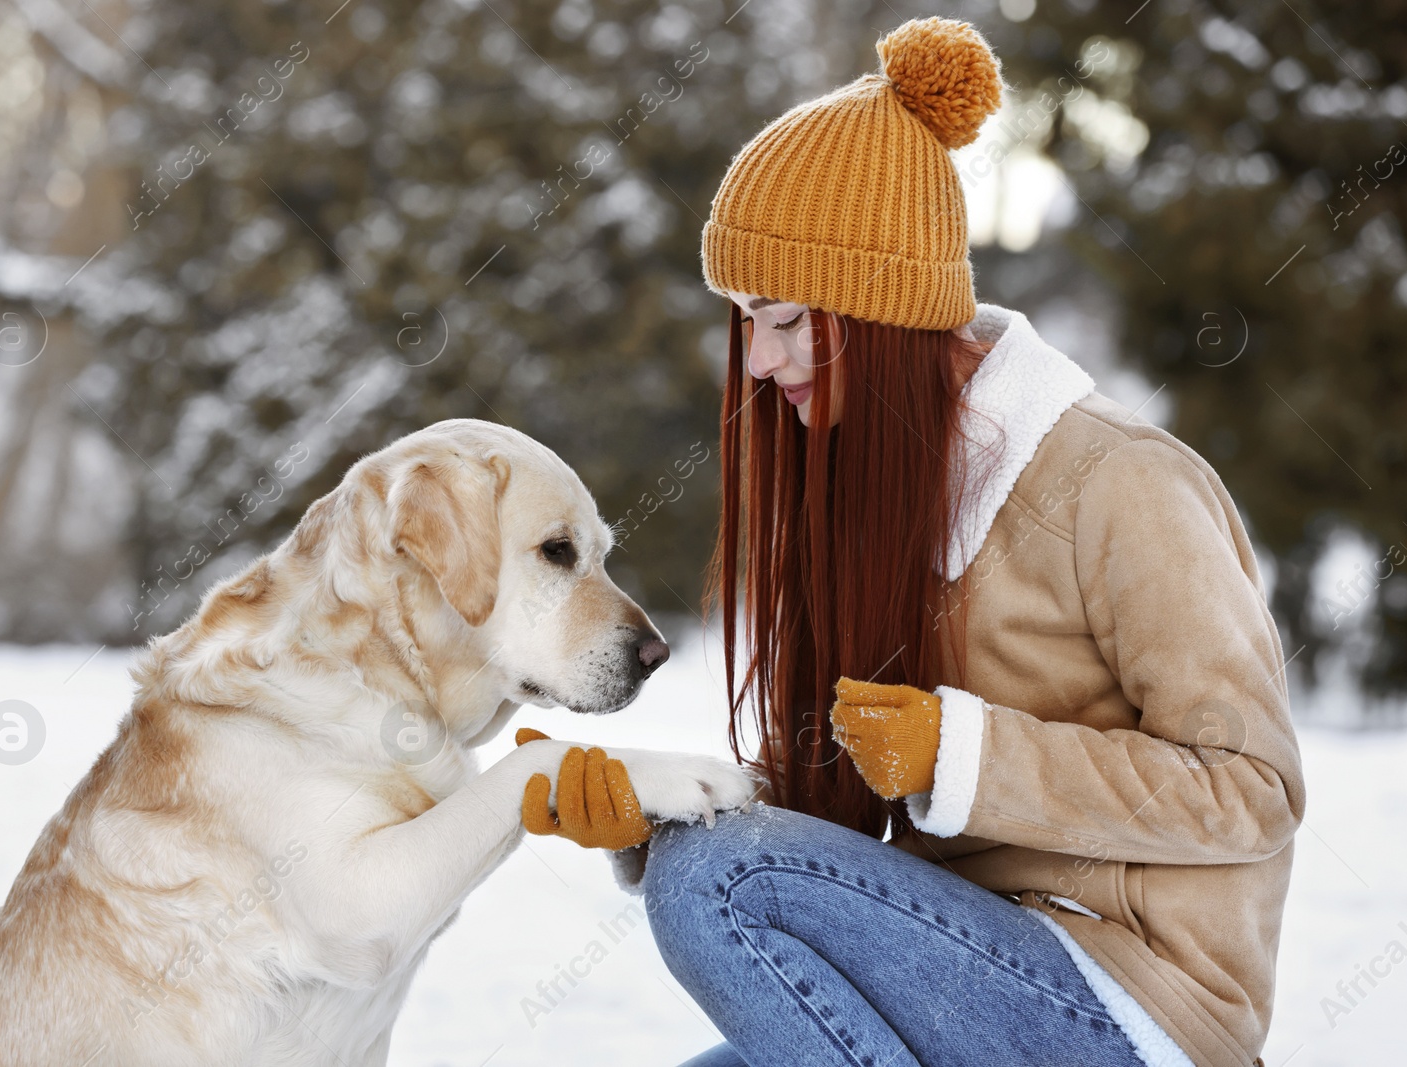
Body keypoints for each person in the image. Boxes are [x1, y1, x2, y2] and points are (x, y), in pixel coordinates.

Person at [520, 16, 1303, 1067]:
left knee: (721, 878)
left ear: (881, 311)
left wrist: (965, 753)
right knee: (701, 883)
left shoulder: (1121, 482)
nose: (758, 359)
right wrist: (656, 809)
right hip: (960, 971)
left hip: (1139, 1007)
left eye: (789, 319)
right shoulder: (874, 488)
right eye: (746, 320)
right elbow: (842, 812)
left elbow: (1251, 789)